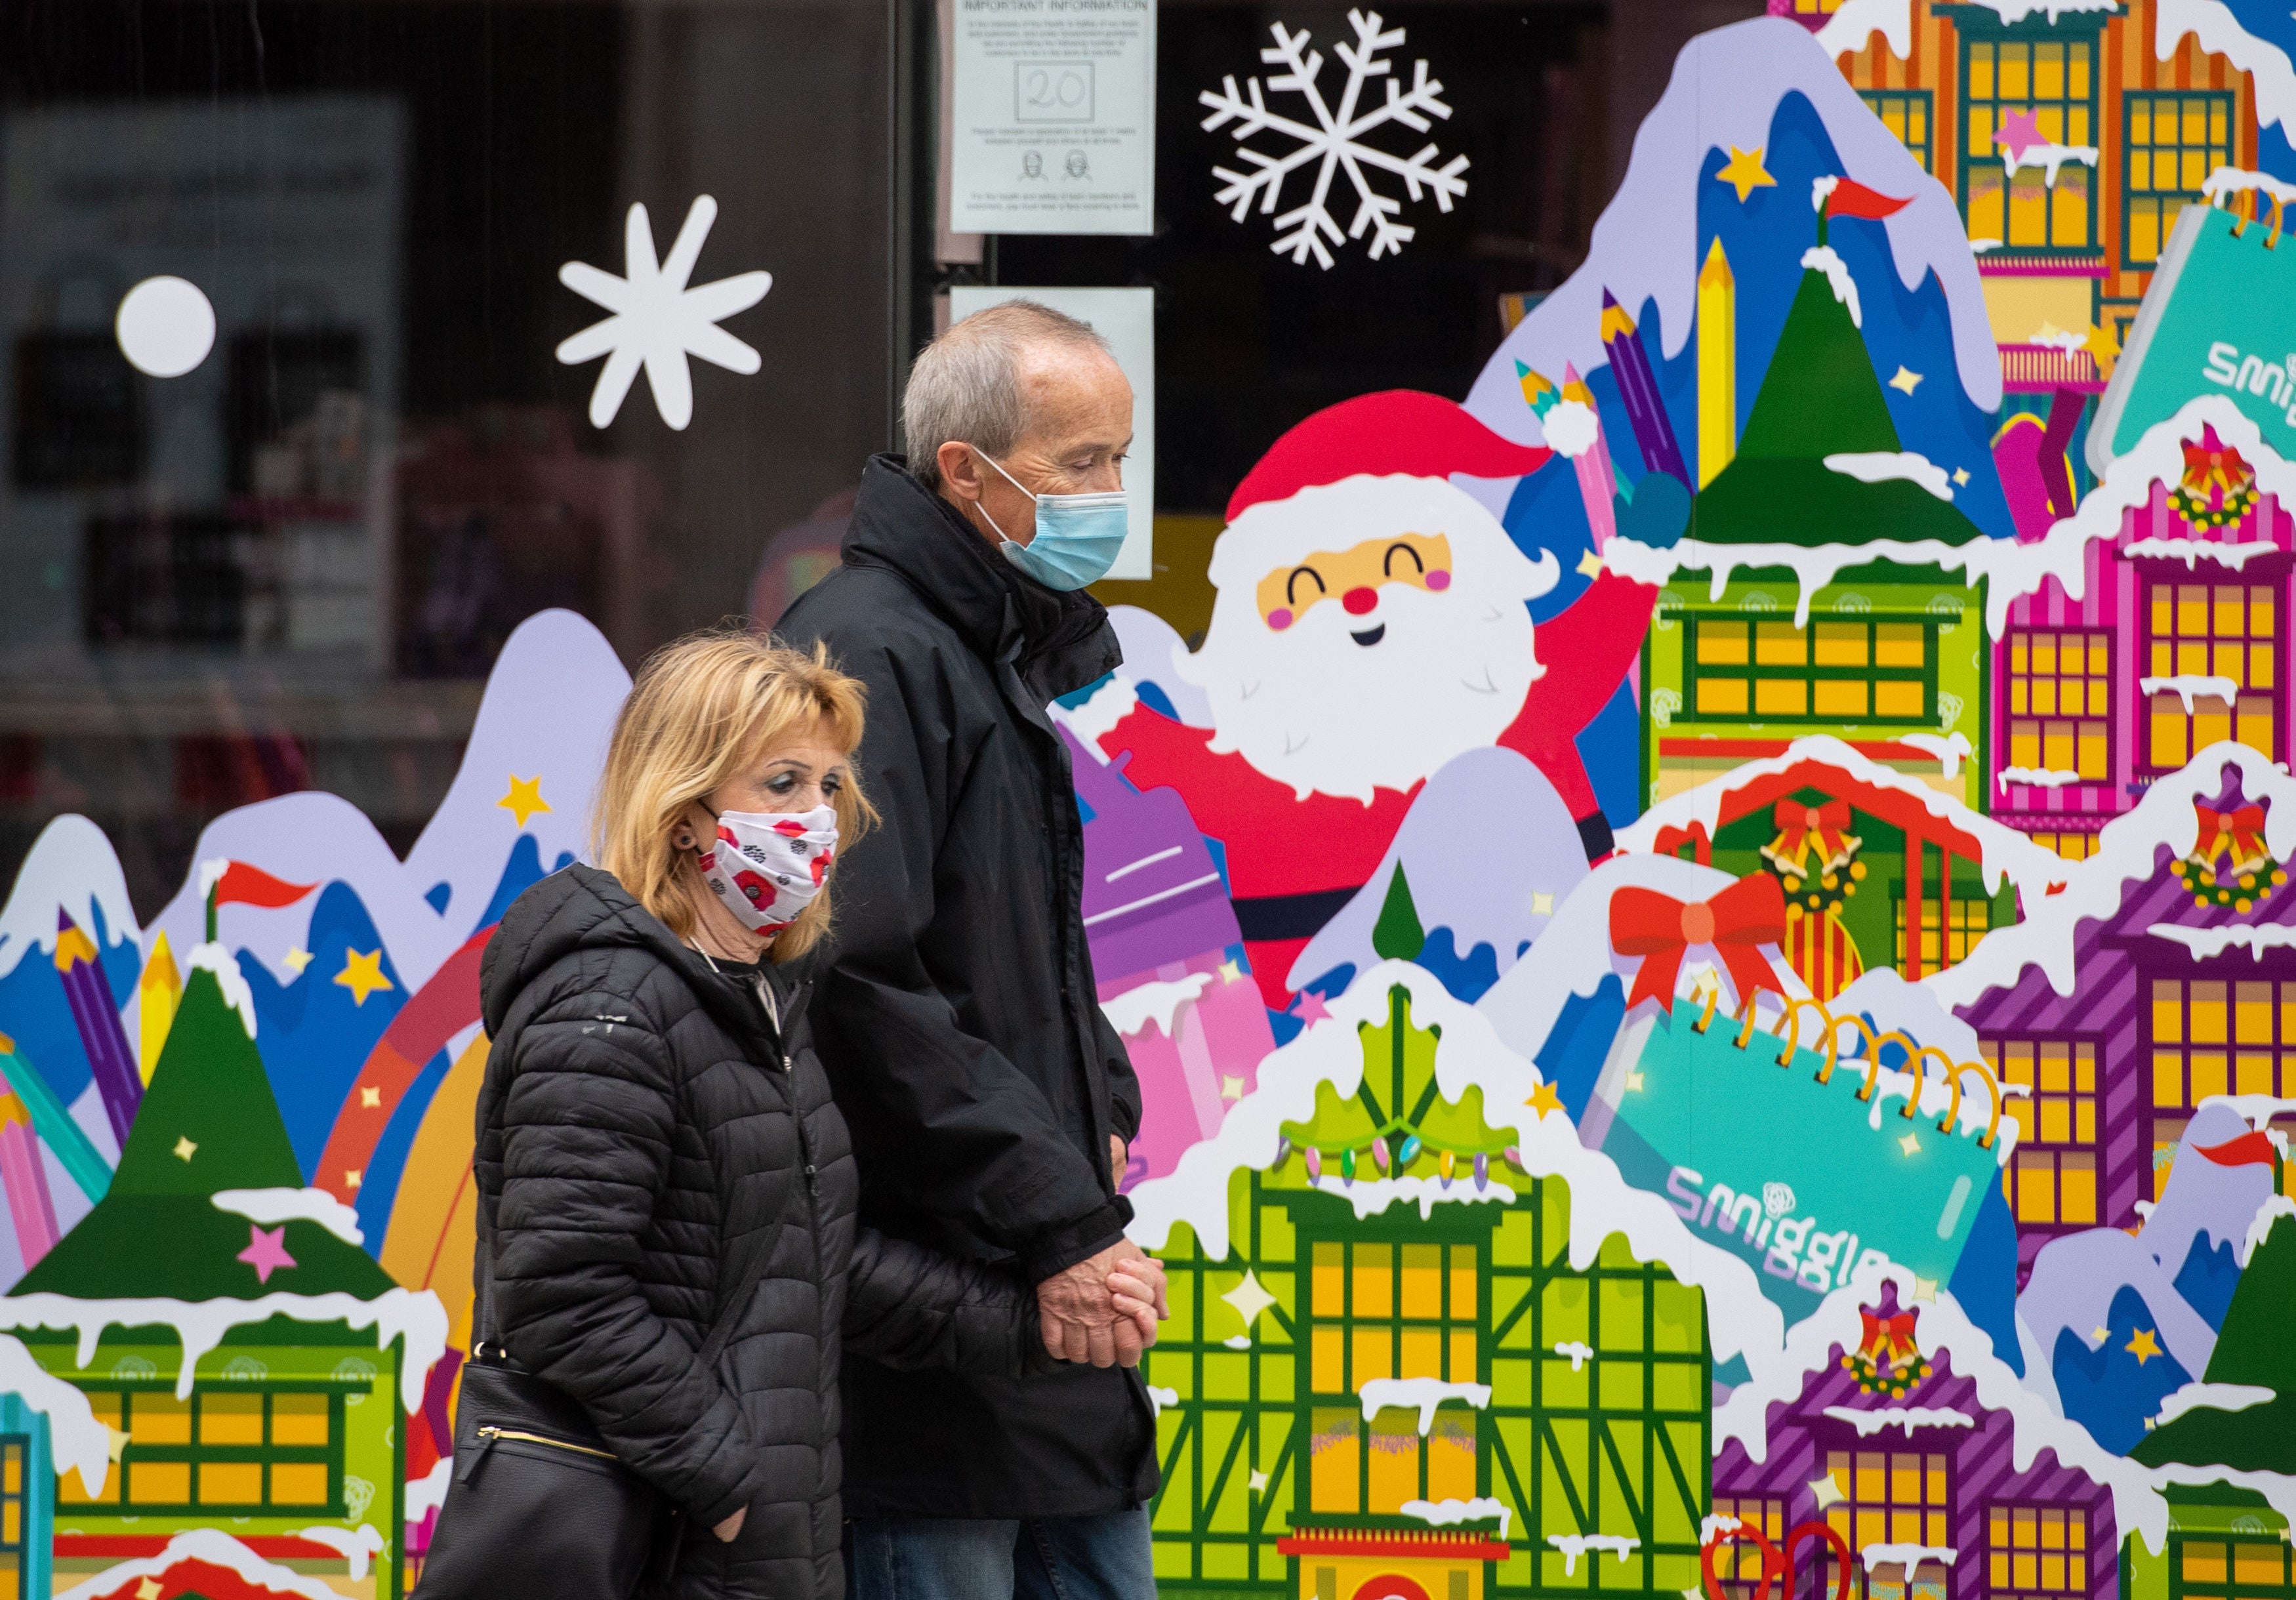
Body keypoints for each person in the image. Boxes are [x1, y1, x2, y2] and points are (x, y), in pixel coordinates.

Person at [473, 630, 1159, 1600]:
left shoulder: (755, 1001)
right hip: (661, 1541)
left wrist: (1027, 1325)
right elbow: (564, 1295)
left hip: (752, 1549)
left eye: (832, 788)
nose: (819, 819)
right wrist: (726, 1476)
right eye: (783, 784)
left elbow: (816, 1257)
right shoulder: (610, 1008)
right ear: (685, 813)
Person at [776, 300, 1164, 1597]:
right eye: (1079, 464)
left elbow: (1015, 954)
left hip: (1037, 1327)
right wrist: (1058, 1218)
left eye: (1118, 456)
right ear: (967, 471)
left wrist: (1100, 1096)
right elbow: (860, 982)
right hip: (936, 1350)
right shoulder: (871, 654)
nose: (1111, 495)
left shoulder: (987, 651)